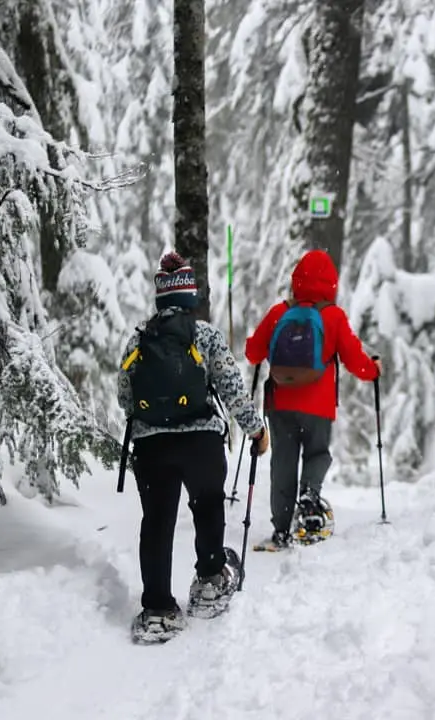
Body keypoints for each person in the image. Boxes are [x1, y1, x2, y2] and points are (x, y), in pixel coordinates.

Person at [118, 251, 269, 643]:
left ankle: (157, 609)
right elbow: (232, 390)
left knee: (156, 523)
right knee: (207, 506)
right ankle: (208, 583)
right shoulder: (205, 336)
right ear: (189, 296)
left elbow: (125, 397)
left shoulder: (139, 339)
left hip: (151, 446)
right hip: (200, 441)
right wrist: (256, 430)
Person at [245, 249, 382, 550]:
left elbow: (253, 353)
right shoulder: (332, 316)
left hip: (280, 403)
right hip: (319, 406)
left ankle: (281, 531)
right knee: (317, 454)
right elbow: (354, 358)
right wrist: (373, 371)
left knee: (283, 463)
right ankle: (309, 500)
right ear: (332, 284)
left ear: (296, 282)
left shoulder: (280, 313)